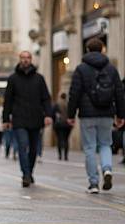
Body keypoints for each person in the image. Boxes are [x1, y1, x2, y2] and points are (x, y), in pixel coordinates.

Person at [67, 38, 125, 193]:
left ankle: (93, 183)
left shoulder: (81, 69)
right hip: (107, 113)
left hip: (87, 115)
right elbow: (119, 93)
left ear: (87, 49)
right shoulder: (111, 69)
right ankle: (107, 169)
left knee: (90, 147)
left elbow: (74, 93)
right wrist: (121, 115)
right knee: (106, 144)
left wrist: (70, 114)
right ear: (102, 49)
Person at [3, 51, 52, 188]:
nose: (25, 60)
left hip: (36, 118)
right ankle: (25, 174)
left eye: (27, 58)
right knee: (22, 146)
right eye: (23, 58)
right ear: (19, 60)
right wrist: (6, 119)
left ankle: (29, 171)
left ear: (31, 60)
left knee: (34, 149)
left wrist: (48, 115)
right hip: (19, 119)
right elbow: (8, 100)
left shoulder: (39, 78)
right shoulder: (13, 78)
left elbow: (46, 99)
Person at [53, 92, 72, 161]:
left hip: (59, 124)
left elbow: (52, 114)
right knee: (66, 139)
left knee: (59, 139)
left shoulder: (57, 104)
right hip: (67, 124)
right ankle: (66, 156)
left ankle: (60, 155)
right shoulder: (68, 104)